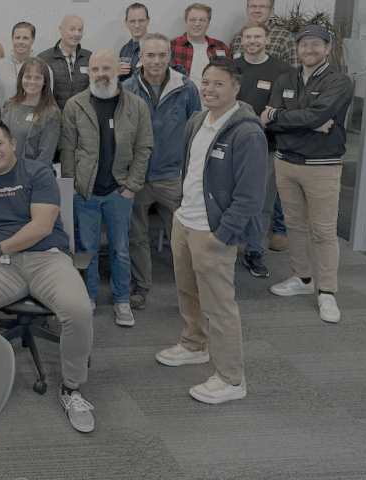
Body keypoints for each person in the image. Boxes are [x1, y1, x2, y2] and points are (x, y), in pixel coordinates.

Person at [0, 119, 95, 434]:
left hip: (47, 258)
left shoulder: (38, 173)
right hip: (1, 264)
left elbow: (42, 226)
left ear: (12, 144)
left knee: (78, 311)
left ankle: (72, 389)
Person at [156, 58, 266, 405]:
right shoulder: (198, 120)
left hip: (213, 232)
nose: (209, 89)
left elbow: (250, 196)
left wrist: (223, 234)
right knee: (188, 294)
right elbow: (191, 171)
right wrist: (179, 212)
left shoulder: (246, 131)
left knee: (220, 307)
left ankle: (232, 379)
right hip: (185, 222)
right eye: (205, 82)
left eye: (218, 84)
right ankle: (194, 345)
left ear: (235, 88)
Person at [262, 25, 354, 324]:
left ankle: (326, 292)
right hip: (286, 162)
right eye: (304, 44)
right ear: (297, 48)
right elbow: (268, 119)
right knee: (294, 226)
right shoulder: (286, 78)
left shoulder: (339, 81)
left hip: (322, 166)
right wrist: (305, 121)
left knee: (324, 232)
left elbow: (313, 114)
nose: (309, 49)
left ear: (327, 48)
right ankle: (302, 279)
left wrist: (284, 117)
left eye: (316, 44)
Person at [61, 49, 153, 327]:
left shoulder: (136, 105)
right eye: (96, 69)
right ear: (89, 72)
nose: (102, 74)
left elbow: (143, 148)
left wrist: (131, 187)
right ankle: (87, 296)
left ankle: (122, 299)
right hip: (85, 192)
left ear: (118, 71)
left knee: (121, 249)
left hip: (119, 192)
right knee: (85, 247)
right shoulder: (75, 105)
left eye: (107, 69)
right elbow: (67, 148)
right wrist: (73, 186)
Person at [123, 33, 201, 309]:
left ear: (170, 57)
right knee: (136, 236)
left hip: (173, 176)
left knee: (182, 236)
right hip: (138, 177)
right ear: (140, 57)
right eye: (150, 55)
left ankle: (192, 290)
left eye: (162, 55)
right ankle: (141, 286)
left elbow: (196, 131)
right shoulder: (127, 89)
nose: (156, 61)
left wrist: (191, 172)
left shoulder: (187, 88)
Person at [235, 22, 292, 279]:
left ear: (267, 40)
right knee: (227, 197)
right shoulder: (231, 66)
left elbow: (286, 106)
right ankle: (224, 249)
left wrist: (266, 119)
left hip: (267, 146)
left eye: (257, 36)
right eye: (248, 36)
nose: (252, 40)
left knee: (262, 202)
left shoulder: (281, 69)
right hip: (232, 145)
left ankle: (255, 251)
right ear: (242, 40)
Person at [1, 57, 62, 165]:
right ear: (21, 79)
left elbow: (45, 157)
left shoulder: (51, 113)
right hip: (6, 172)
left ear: (44, 82)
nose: (32, 82)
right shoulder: (9, 106)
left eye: (38, 78)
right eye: (28, 77)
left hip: (32, 176)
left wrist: (26, 177)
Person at [228, 0, 299, 68]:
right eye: (253, 6)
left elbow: (294, 73)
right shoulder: (237, 38)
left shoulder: (285, 37)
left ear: (271, 11)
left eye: (262, 7)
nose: (257, 11)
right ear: (247, 10)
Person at [0, 21, 52, 104]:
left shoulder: (44, 69)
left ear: (33, 40)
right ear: (12, 38)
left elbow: (47, 99)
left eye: (25, 38)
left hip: (35, 116)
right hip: (4, 116)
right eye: (17, 38)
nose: (21, 42)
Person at [171, 3, 231, 88]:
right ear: (185, 22)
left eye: (202, 20)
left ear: (208, 23)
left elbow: (230, 76)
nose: (197, 24)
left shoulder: (220, 46)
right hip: (182, 98)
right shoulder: (172, 46)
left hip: (215, 98)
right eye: (193, 20)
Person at [40, 14, 92, 111]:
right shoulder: (44, 59)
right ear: (61, 29)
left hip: (82, 119)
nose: (77, 34)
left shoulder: (90, 58)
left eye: (80, 30)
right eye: (72, 29)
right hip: (54, 119)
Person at [118, 3, 150, 81]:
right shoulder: (125, 49)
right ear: (126, 23)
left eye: (141, 21)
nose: (137, 26)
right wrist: (117, 73)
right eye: (132, 21)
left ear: (148, 21)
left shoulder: (158, 47)